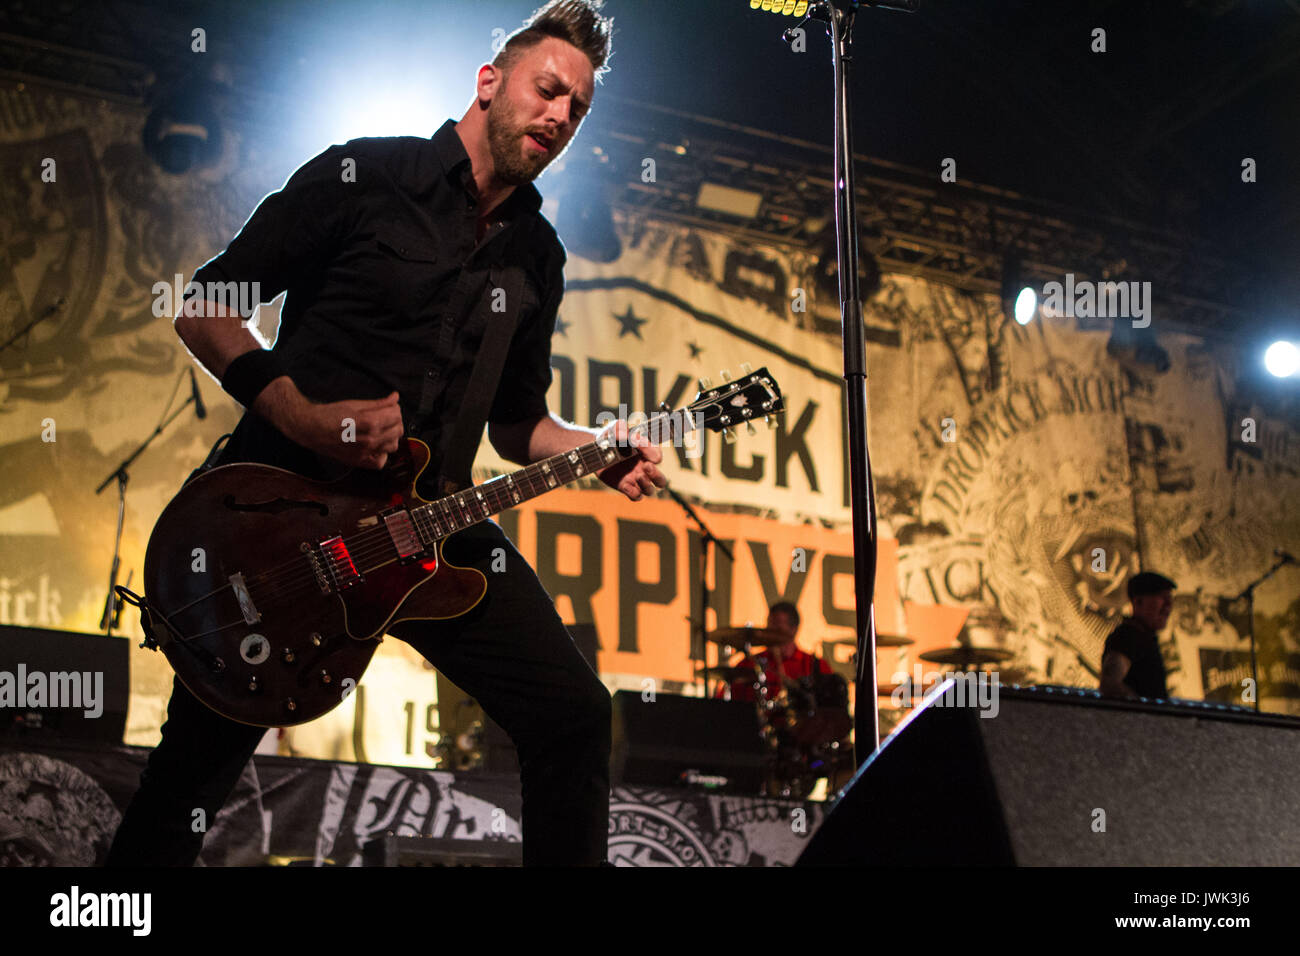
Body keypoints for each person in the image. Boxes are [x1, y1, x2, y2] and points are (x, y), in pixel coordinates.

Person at [106, 1, 663, 868]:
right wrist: (302, 416)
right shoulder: (362, 175)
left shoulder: (537, 258)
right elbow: (204, 303)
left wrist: (601, 446)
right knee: (190, 778)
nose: (560, 116)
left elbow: (517, 426)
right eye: (548, 90)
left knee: (576, 717)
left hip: (430, 523)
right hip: (286, 526)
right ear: (491, 83)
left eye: (578, 108)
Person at [715, 602, 832, 703]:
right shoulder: (749, 664)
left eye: (777, 628)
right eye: (769, 626)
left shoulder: (814, 666)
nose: (770, 633)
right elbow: (725, 703)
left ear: (794, 629)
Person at [1099, 571, 1175, 699]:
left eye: (1170, 598)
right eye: (1162, 597)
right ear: (1138, 602)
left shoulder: (1143, 638)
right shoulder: (1127, 636)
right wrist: (1147, 712)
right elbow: (1109, 685)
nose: (1169, 605)